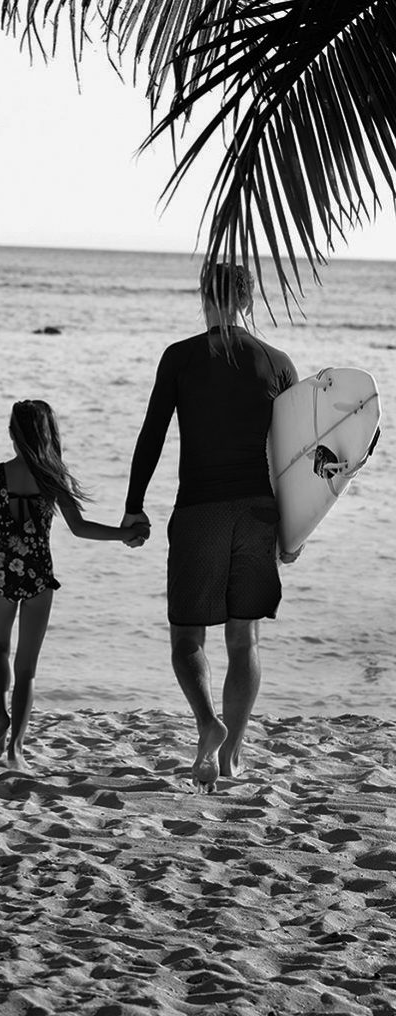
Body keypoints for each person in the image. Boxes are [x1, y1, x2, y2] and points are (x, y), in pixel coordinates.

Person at [122, 264, 299, 792]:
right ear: (249, 300)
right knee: (244, 638)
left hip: (200, 509)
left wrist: (134, 506)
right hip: (259, 513)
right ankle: (233, 755)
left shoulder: (180, 357)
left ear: (204, 296)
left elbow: (152, 433)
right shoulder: (278, 363)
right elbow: (296, 457)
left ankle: (207, 723)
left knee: (186, 638)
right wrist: (295, 530)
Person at [0, 399, 146, 771]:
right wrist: (124, 534)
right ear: (48, 435)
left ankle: (1, 715)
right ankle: (16, 747)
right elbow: (80, 529)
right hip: (39, 575)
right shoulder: (52, 478)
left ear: (13, 434)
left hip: (2, 572)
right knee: (27, 667)